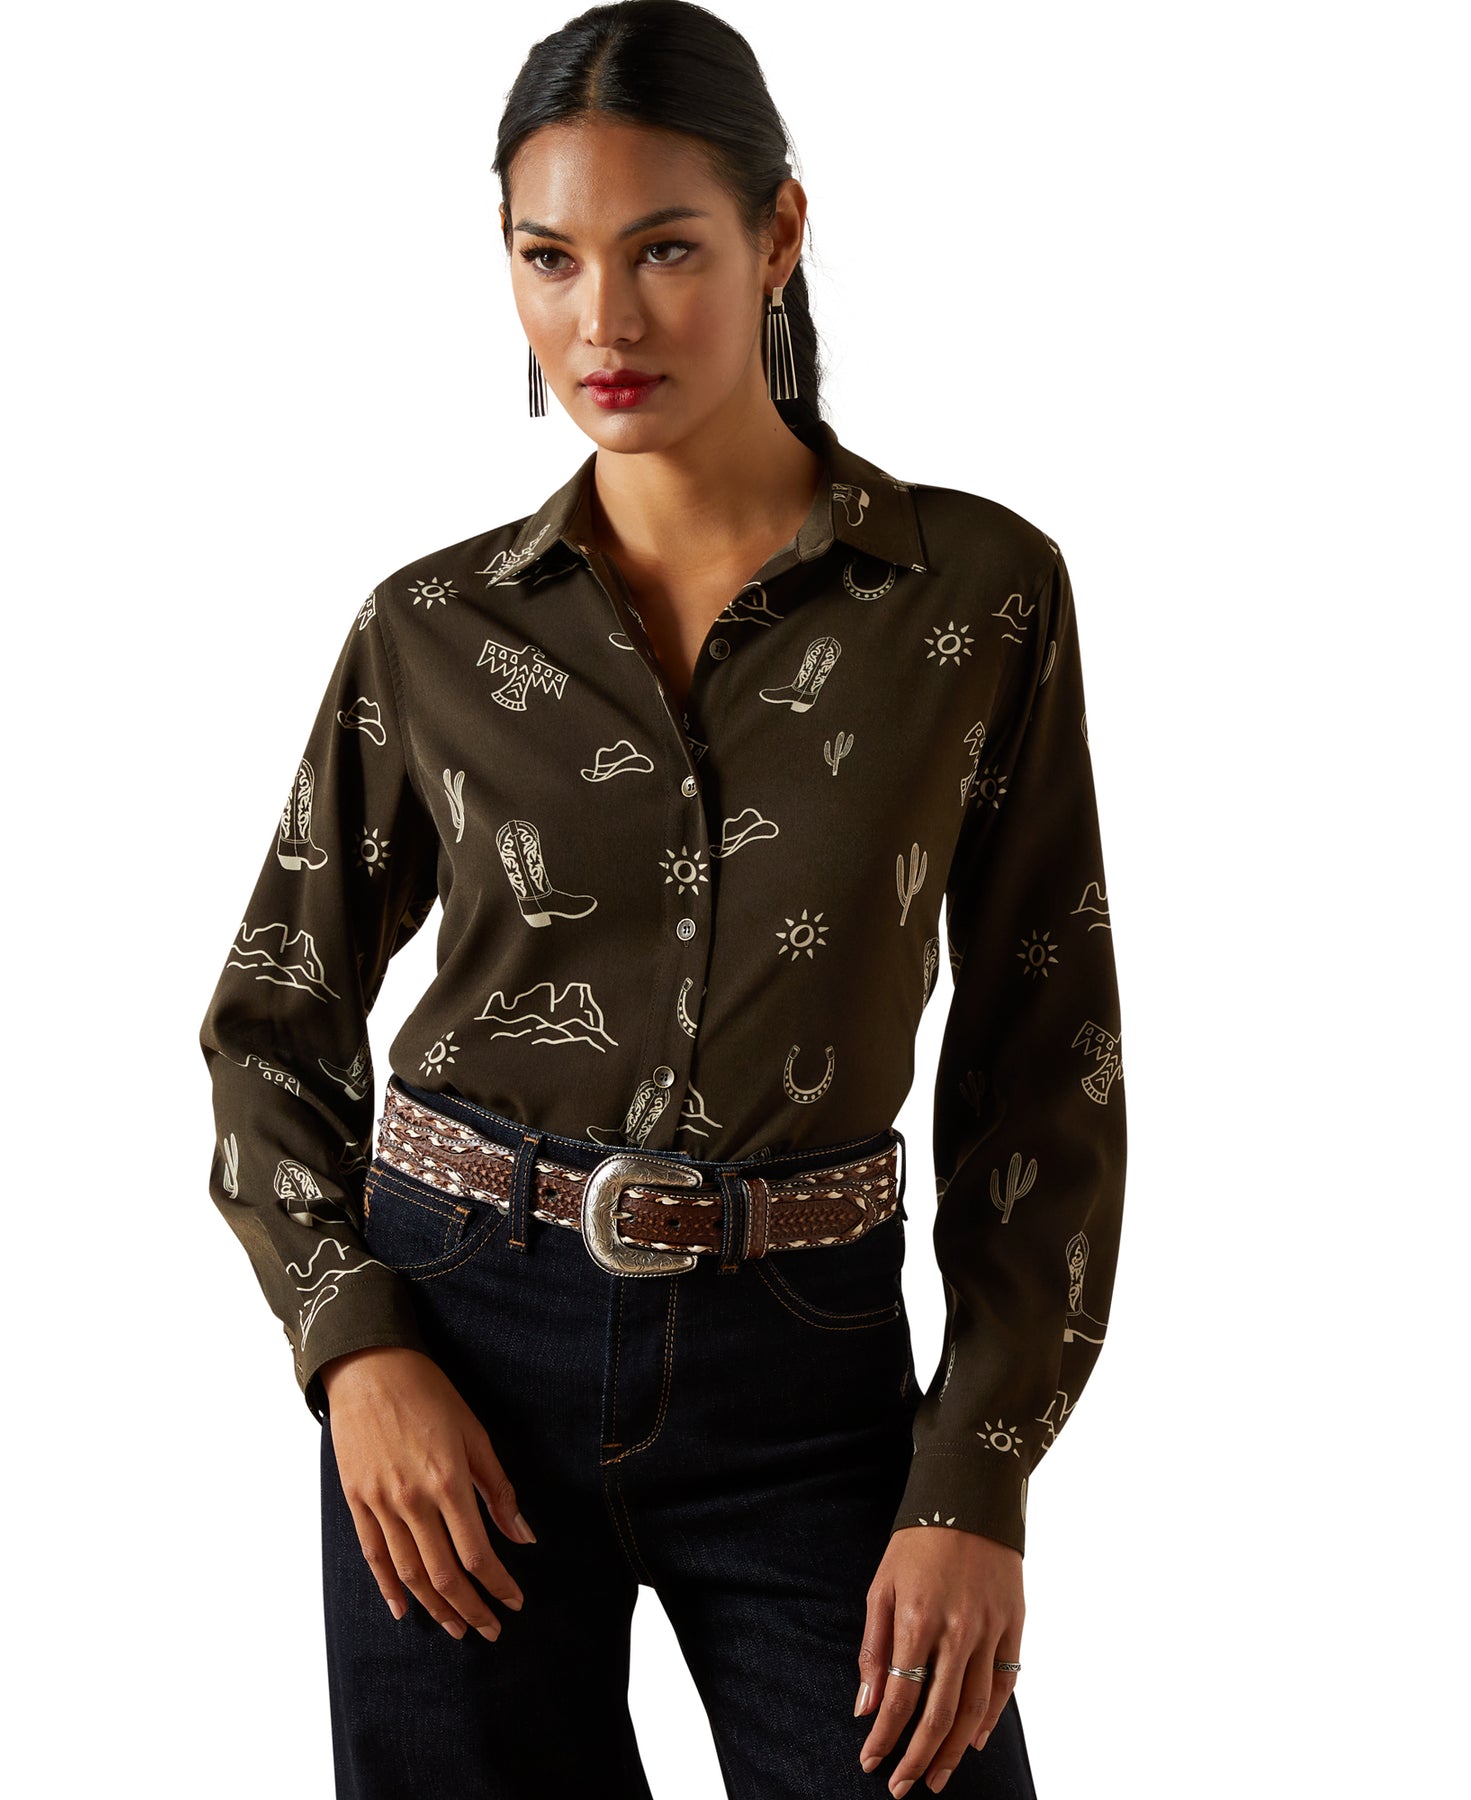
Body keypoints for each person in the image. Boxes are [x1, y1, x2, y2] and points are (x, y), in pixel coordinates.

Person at [197, 4, 1126, 1795]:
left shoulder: (978, 596)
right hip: (461, 1348)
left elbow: (1048, 1061)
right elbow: (269, 1024)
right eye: (549, 258)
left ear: (779, 234)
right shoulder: (431, 630)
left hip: (810, 1371)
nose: (602, 323)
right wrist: (356, 1349)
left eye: (666, 250)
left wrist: (978, 1472)